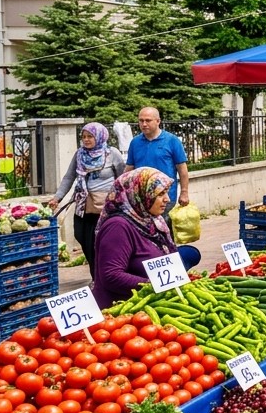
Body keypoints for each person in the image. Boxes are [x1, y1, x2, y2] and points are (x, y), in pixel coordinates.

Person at [91, 169, 177, 308]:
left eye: (166, 193)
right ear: (139, 194)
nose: (167, 199)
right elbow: (111, 276)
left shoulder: (153, 221)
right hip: (121, 312)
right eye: (160, 194)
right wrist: (154, 285)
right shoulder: (117, 227)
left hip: (151, 305)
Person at [48, 122, 125, 274]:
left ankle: (100, 275)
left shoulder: (111, 153)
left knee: (100, 242)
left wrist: (118, 199)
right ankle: (96, 271)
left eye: (90, 136)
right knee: (81, 236)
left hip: (105, 206)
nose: (86, 140)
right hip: (83, 204)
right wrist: (57, 197)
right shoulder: (79, 154)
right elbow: (69, 177)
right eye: (83, 137)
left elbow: (122, 178)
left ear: (100, 136)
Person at [124, 106, 189, 207]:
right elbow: (129, 169)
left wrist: (184, 192)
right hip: (141, 198)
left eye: (148, 120)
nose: (144, 124)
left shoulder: (172, 140)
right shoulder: (135, 142)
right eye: (141, 121)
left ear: (158, 121)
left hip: (165, 197)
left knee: (163, 223)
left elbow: (182, 169)